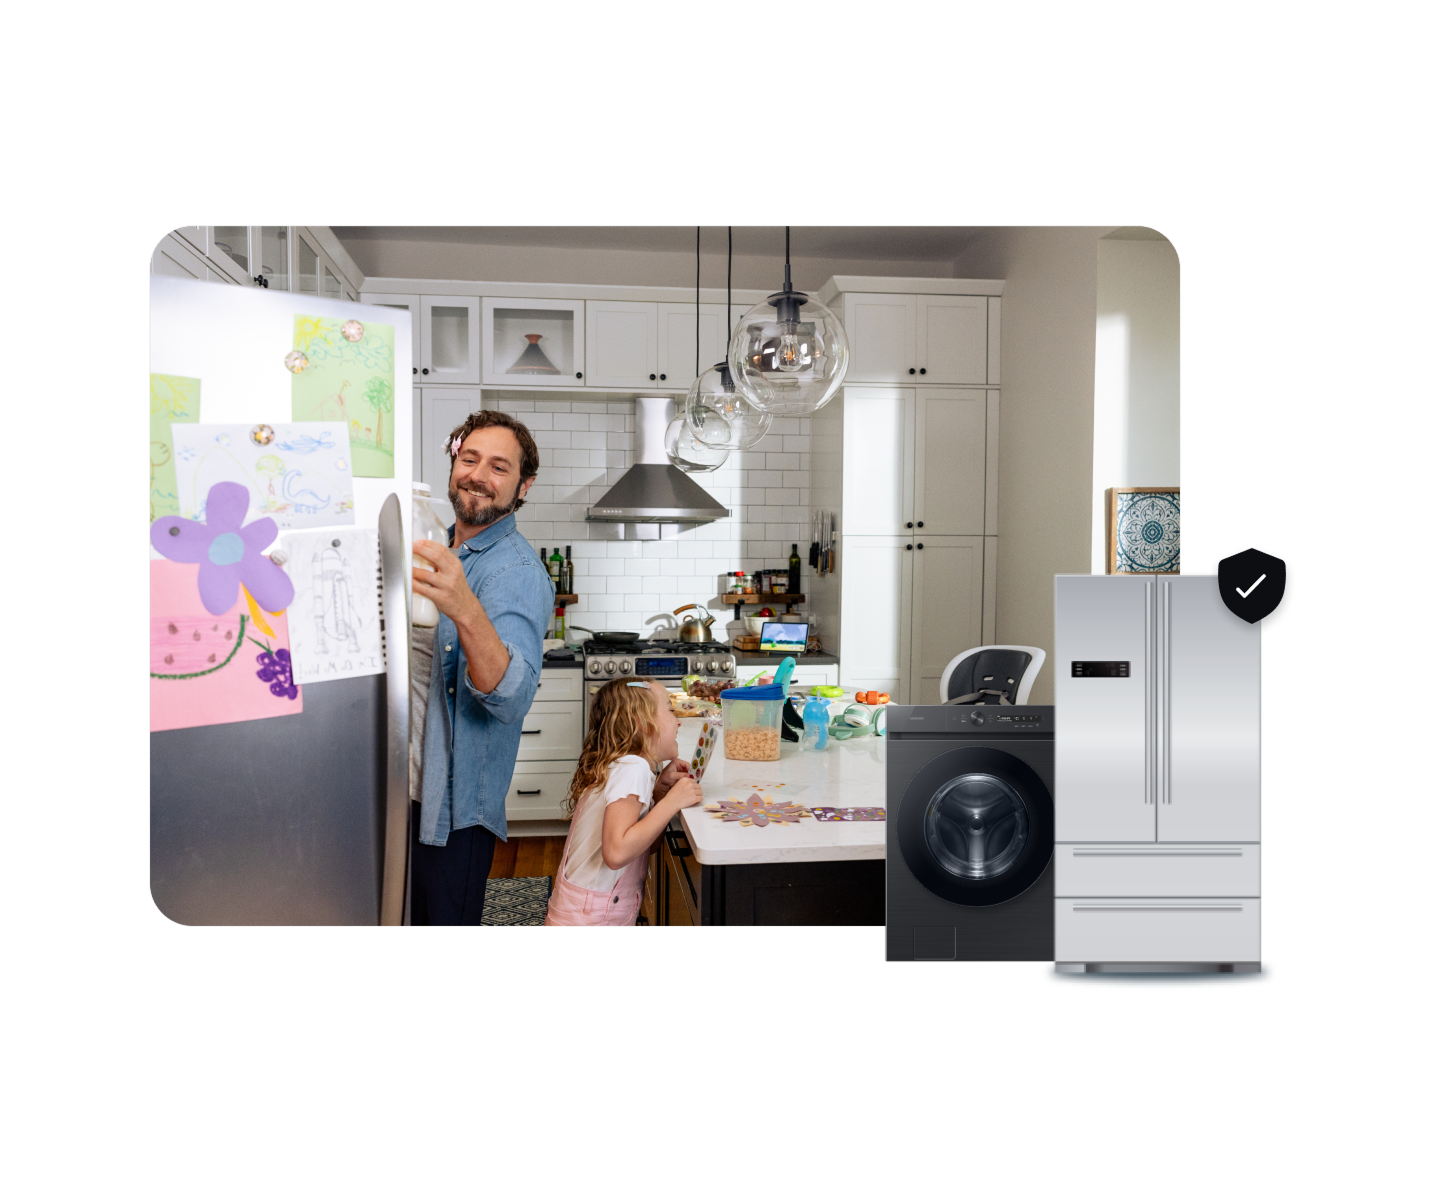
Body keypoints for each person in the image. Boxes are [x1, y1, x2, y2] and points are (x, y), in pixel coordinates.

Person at [410, 409, 555, 926]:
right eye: (469, 458)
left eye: (499, 466)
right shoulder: (435, 545)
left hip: (450, 811)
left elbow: (512, 697)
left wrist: (464, 606)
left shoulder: (516, 572)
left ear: (523, 485)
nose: (478, 475)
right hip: (401, 790)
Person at [545, 678, 703, 926]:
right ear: (642, 723)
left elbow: (642, 846)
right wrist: (671, 803)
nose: (679, 720)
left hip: (584, 912)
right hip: (592, 919)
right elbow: (617, 853)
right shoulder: (633, 768)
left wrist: (660, 793)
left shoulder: (626, 765)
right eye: (670, 711)